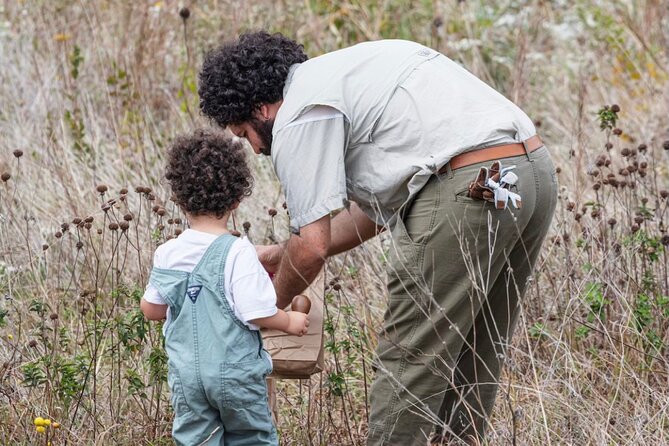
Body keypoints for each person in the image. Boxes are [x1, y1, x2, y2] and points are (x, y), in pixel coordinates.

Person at [198, 32, 557, 445]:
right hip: (529, 174)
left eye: (245, 134)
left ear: (260, 108)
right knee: (476, 349)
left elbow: (311, 247)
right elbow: (370, 216)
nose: (256, 149)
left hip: (469, 187)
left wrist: (261, 310)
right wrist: (285, 252)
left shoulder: (298, 115)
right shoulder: (347, 72)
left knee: (411, 357)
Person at [140, 129, 309, 446]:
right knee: (250, 437)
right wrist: (290, 322)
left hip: (187, 377)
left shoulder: (167, 253)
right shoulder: (237, 251)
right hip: (235, 376)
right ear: (235, 199)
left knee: (197, 439)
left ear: (178, 198)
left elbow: (151, 310)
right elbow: (256, 311)